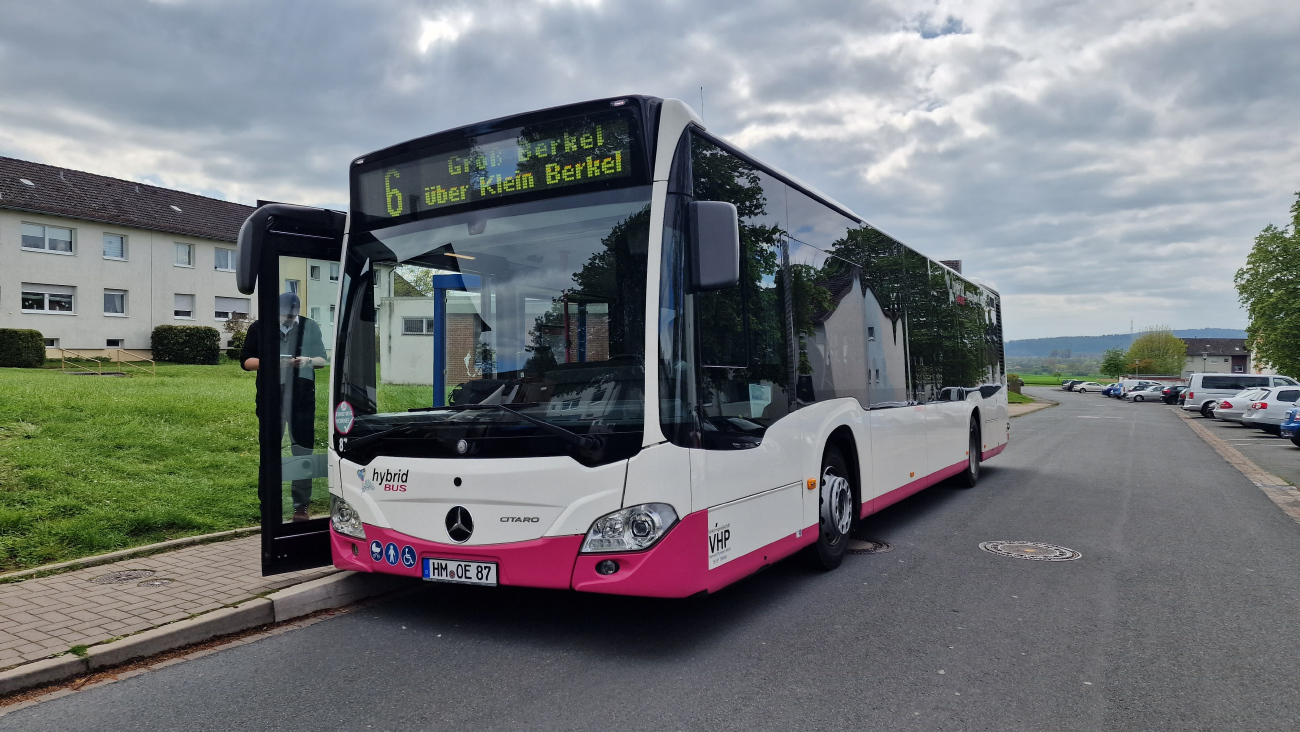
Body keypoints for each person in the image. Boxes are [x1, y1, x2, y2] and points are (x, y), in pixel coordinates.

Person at [241, 292, 328, 522]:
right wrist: (273, 363)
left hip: (302, 400)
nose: (289, 319)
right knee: (269, 452)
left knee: (303, 454)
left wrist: (307, 361)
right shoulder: (260, 327)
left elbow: (323, 360)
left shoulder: (310, 327)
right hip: (271, 399)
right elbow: (246, 362)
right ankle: (268, 508)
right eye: (284, 315)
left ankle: (301, 508)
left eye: (293, 315)